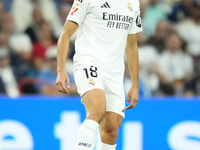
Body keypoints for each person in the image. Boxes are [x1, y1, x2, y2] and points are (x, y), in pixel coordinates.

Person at [56, 0, 142, 149]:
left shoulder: (133, 3)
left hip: (115, 72)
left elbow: (132, 44)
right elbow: (66, 33)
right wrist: (60, 70)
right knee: (97, 109)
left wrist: (135, 84)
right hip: (89, 61)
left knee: (111, 130)